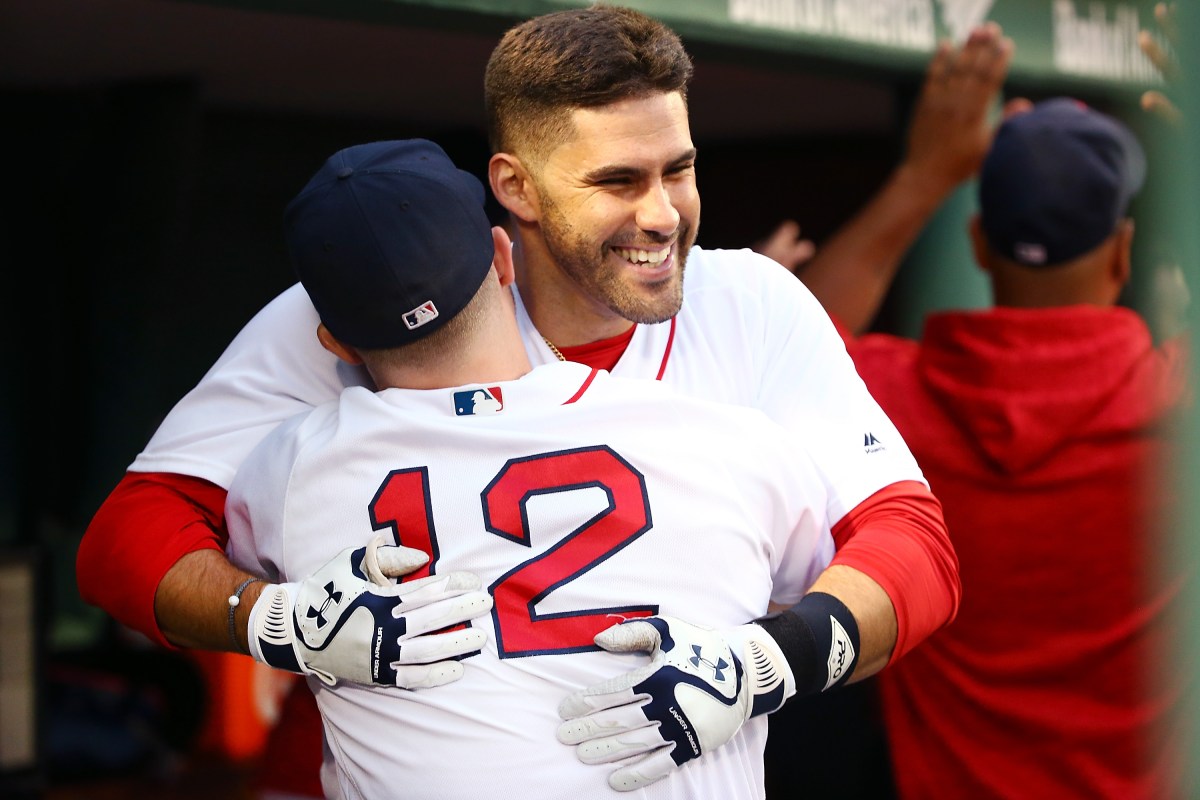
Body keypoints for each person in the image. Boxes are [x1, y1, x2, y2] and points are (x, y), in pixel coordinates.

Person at [77, 5, 964, 794]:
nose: (663, 214)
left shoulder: (749, 301)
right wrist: (272, 620)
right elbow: (127, 538)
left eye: (679, 169)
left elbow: (914, 544)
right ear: (513, 191)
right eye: (618, 182)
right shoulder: (373, 306)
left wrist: (773, 658)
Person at [226, 135, 846, 798]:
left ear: (335, 340)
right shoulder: (716, 439)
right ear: (503, 259)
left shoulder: (289, 472)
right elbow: (879, 576)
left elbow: (168, 572)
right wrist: (771, 662)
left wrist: (274, 620)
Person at [794, 97, 1192, 798]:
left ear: (978, 243)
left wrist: (923, 178)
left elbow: (793, 344)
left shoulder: (897, 397)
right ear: (1123, 251)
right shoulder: (1176, 405)